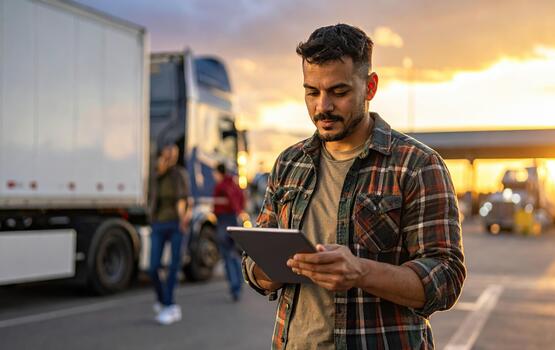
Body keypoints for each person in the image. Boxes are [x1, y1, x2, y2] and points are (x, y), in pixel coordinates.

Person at [242, 24, 466, 349]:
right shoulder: (288, 164)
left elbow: (445, 278)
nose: (323, 106)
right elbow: (254, 265)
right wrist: (269, 270)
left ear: (370, 86)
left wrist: (360, 272)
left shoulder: (417, 165)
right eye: (312, 92)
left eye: (339, 92)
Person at [149, 144, 191, 325]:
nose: (171, 155)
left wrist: (183, 220)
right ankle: (162, 300)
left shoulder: (179, 174)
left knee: (173, 266)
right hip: (158, 224)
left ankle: (170, 305)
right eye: (168, 152)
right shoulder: (157, 175)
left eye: (174, 153)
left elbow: (184, 199)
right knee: (153, 267)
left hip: (176, 224)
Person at [213, 163, 245, 301]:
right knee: (234, 254)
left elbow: (228, 200)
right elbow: (241, 198)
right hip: (234, 220)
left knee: (227, 256)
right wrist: (238, 210)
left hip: (224, 220)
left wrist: (232, 208)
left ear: (219, 173)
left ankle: (234, 288)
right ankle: (240, 282)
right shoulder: (234, 184)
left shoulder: (222, 186)